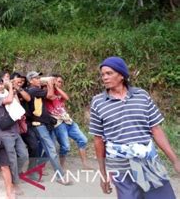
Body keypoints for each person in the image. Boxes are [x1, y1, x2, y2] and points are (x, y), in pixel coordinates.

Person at [90, 56, 179, 198]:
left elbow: (155, 130)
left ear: (121, 75)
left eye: (109, 73)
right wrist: (103, 174)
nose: (104, 78)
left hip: (149, 162)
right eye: (102, 74)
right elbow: (98, 139)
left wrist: (175, 160)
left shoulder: (141, 96)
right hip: (120, 166)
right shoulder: (98, 102)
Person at [26, 71, 71, 185]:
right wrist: (50, 83)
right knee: (51, 149)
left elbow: (54, 97)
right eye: (36, 78)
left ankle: (33, 170)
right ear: (31, 81)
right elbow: (50, 95)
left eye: (39, 77)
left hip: (44, 123)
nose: (39, 79)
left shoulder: (37, 90)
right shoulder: (33, 90)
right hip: (38, 124)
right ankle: (60, 176)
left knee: (49, 148)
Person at [0, 76, 28, 193]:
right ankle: (14, 183)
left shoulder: (5, 92)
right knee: (12, 159)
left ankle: (14, 175)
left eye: (1, 83)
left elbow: (16, 102)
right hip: (5, 132)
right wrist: (10, 87)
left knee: (23, 155)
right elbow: (9, 100)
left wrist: (13, 91)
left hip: (14, 129)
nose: (1, 86)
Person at [47, 73, 92, 170]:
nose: (59, 83)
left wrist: (57, 88)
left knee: (83, 140)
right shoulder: (45, 92)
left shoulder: (59, 92)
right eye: (57, 81)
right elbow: (50, 96)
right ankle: (61, 166)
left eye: (60, 82)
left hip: (68, 121)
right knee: (66, 147)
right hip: (59, 123)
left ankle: (85, 164)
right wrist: (51, 86)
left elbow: (67, 98)